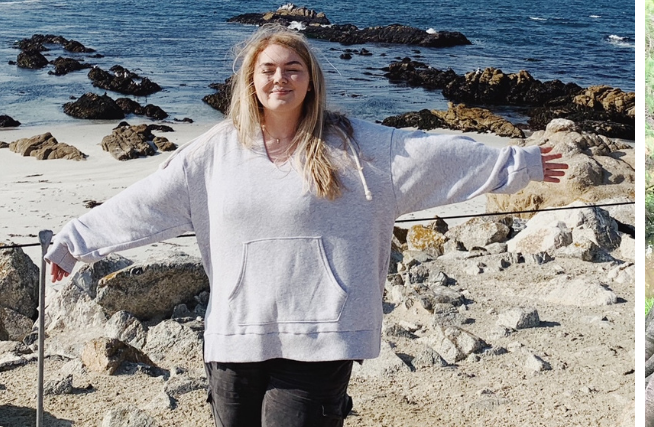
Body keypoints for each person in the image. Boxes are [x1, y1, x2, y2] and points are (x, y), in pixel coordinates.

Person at [43, 25, 567, 427]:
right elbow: (145, 203)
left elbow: (435, 154)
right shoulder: (213, 153)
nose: (280, 79)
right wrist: (76, 241)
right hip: (236, 339)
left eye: (293, 68)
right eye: (268, 69)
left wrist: (520, 164)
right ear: (251, 80)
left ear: (310, 79)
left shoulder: (359, 147)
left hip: (321, 334)